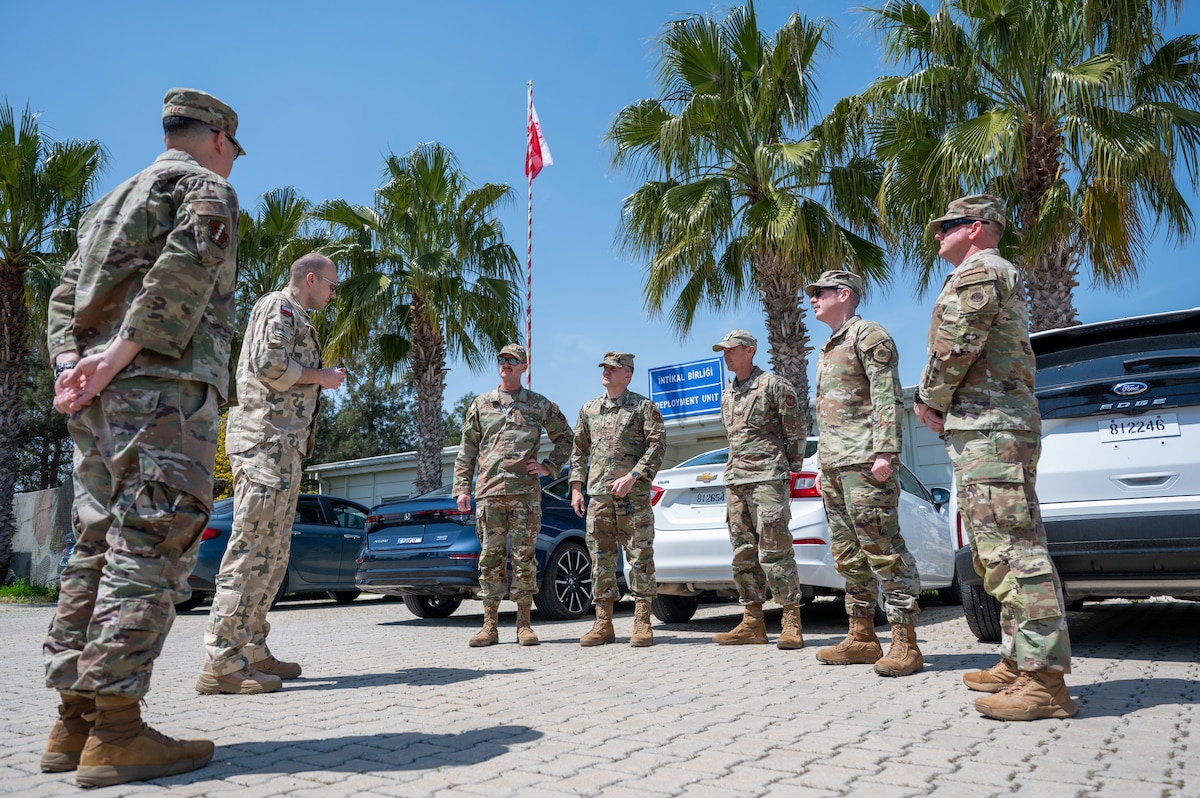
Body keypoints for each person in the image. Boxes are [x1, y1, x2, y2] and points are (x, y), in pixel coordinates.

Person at [41, 88, 244, 787]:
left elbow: (65, 291)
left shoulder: (111, 202)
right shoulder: (204, 187)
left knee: (93, 546)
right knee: (151, 544)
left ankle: (73, 724)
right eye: (233, 149)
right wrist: (122, 352)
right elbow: (187, 265)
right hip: (161, 392)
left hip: (97, 400)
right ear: (217, 136)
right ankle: (119, 732)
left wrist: (74, 363)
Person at [916, 194, 1077, 721]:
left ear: (980, 227)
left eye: (949, 225)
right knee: (993, 552)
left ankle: (1045, 682)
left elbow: (954, 348)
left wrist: (928, 400)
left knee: (1014, 552)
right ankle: (1017, 659)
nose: (938, 233)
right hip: (984, 428)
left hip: (991, 428)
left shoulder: (980, 273)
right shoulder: (977, 272)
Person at [196, 254, 346, 695]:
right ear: (311, 279)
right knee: (249, 550)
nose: (333, 294)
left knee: (273, 556)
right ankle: (221, 663)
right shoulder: (278, 308)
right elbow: (270, 365)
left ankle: (253, 649)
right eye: (332, 286)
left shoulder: (299, 317)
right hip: (264, 444)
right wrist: (323, 377)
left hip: (284, 449)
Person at [806, 270, 924, 677]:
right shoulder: (828, 347)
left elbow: (886, 396)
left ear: (844, 294)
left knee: (883, 549)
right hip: (837, 464)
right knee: (847, 554)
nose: (811, 299)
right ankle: (861, 637)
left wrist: (886, 451)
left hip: (864, 461)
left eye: (818, 293)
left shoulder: (868, 335)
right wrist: (823, 462)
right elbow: (829, 414)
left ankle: (905, 642)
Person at [452, 344, 572, 647]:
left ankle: (523, 625)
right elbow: (466, 450)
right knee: (490, 558)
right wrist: (462, 489)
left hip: (525, 496)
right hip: (489, 494)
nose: (506, 364)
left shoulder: (538, 404)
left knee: (524, 558)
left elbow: (566, 439)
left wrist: (548, 467)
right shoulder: (481, 404)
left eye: (512, 361)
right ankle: (489, 627)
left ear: (523, 366)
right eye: (502, 360)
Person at [710, 330, 805, 649]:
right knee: (742, 552)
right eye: (723, 350)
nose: (725, 354)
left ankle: (791, 619)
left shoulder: (774, 386)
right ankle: (753, 622)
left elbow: (796, 428)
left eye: (731, 349)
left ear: (750, 351)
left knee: (775, 548)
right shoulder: (727, 394)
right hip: (736, 481)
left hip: (768, 478)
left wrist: (789, 466)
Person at [569, 353, 666, 647]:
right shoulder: (589, 409)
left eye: (613, 369)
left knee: (639, 556)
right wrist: (576, 487)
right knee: (600, 559)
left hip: (632, 497)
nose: (606, 372)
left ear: (628, 374)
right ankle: (603, 623)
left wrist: (634, 476)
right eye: (604, 368)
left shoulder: (643, 408)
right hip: (599, 497)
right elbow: (578, 450)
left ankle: (642, 622)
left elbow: (658, 444)